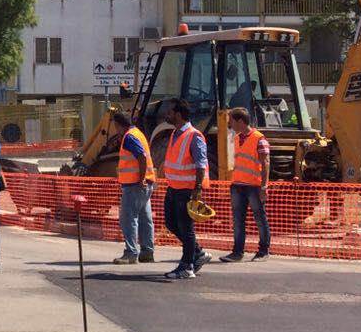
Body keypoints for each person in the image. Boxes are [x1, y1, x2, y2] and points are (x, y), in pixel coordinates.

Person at [160, 99, 210, 280]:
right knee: (171, 223)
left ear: (178, 114)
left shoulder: (193, 135)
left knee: (186, 228)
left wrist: (197, 188)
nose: (167, 114)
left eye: (170, 112)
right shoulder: (175, 133)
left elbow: (200, 164)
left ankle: (187, 265)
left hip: (187, 189)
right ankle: (197, 252)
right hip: (173, 187)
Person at [222, 106, 271, 262]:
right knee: (238, 221)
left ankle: (263, 252)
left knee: (259, 218)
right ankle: (237, 252)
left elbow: (266, 163)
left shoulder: (259, 138)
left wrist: (264, 186)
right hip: (238, 185)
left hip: (254, 186)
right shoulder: (236, 138)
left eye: (231, 121)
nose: (230, 124)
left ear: (240, 121)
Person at [109, 109, 156, 264]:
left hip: (135, 185)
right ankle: (147, 252)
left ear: (118, 125)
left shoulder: (129, 137)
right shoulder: (139, 133)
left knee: (129, 219)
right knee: (145, 218)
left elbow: (141, 157)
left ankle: (131, 253)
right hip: (146, 183)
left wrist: (140, 179)